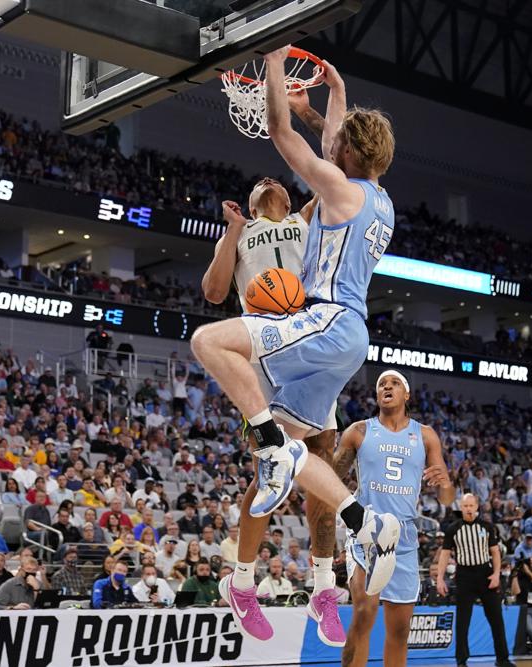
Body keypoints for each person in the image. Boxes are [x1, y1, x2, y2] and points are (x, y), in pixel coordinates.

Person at [192, 51, 399, 643]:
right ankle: (361, 524)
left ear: (349, 159)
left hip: (323, 323)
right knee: (285, 456)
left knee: (209, 342)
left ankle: (270, 448)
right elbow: (339, 142)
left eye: (339, 147)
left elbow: (281, 132)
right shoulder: (378, 195)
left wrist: (276, 64)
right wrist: (333, 96)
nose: (333, 150)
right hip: (346, 340)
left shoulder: (330, 191)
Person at [201, 170, 346, 643]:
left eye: (277, 180)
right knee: (273, 467)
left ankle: (324, 589)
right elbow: (215, 292)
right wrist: (232, 231)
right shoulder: (243, 234)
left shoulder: (307, 220)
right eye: (260, 182)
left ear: (289, 198)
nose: (268, 179)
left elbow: (331, 175)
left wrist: (312, 109)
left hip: (311, 345)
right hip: (267, 349)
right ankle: (242, 583)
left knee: (324, 468)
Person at [337, 370, 456, 665]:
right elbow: (329, 476)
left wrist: (445, 482)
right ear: (377, 396)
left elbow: (447, 498)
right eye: (381, 385)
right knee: (364, 610)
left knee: (401, 630)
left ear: (407, 395)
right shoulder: (359, 431)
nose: (386, 386)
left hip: (403, 536)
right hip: (366, 529)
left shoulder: (425, 435)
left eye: (394, 383)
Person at [437, 494, 512, 667]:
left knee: (496, 619)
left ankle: (503, 659)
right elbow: (445, 555)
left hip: (485, 574)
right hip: (464, 576)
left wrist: (496, 574)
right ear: (461, 507)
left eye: (471, 505)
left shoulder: (487, 527)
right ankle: (461, 661)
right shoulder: (453, 528)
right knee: (462, 621)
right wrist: (440, 579)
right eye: (465, 506)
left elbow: (495, 552)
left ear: (477, 507)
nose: (469, 509)